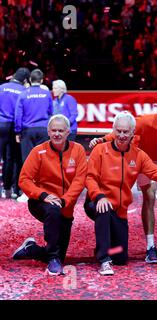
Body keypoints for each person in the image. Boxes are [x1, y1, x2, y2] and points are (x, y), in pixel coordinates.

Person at [84, 111, 157, 276]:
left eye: (125, 132)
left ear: (132, 133)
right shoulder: (99, 150)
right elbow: (90, 178)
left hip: (119, 210)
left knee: (120, 257)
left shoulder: (138, 155)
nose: (121, 135)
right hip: (97, 201)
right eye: (118, 131)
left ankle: (107, 248)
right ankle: (104, 259)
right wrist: (99, 196)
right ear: (113, 131)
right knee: (104, 211)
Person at [12, 114, 87, 275]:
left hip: (65, 207)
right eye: (53, 130)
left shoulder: (78, 150)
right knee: (52, 211)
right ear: (48, 131)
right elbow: (24, 180)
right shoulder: (38, 151)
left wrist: (65, 200)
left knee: (62, 255)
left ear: (68, 132)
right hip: (40, 202)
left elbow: (80, 180)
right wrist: (43, 195)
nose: (57, 134)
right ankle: (52, 258)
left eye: (61, 130)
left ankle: (31, 250)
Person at [15, 69, 54, 202]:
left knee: (27, 161)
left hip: (28, 130)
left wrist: (17, 131)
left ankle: (27, 193)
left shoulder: (24, 93)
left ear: (30, 80)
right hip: (43, 130)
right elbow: (51, 112)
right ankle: (43, 190)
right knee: (43, 160)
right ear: (42, 80)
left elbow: (18, 114)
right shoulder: (46, 94)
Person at [0, 67, 30, 199]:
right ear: (24, 80)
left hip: (0, 123)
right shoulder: (24, 91)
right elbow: (22, 112)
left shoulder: (2, 87)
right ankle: (11, 189)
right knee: (12, 158)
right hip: (13, 126)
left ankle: (5, 189)